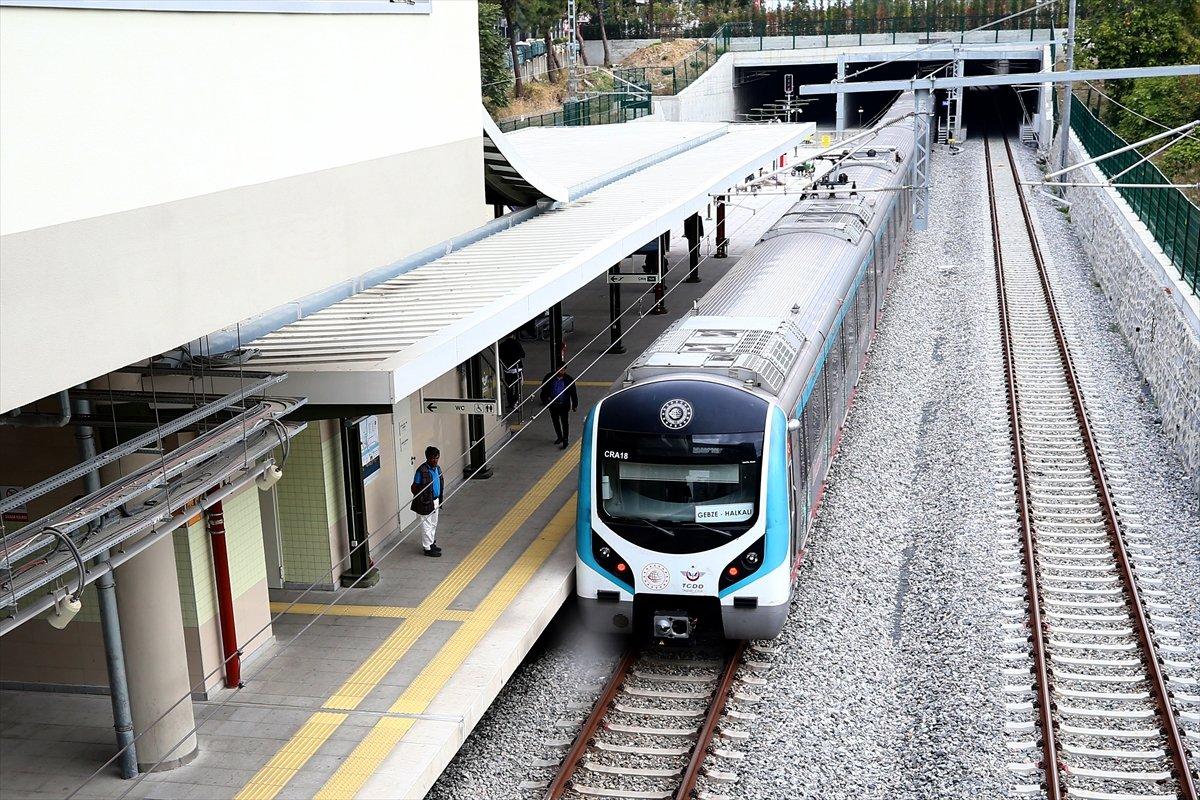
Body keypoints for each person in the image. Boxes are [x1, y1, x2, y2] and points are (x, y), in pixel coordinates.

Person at [410, 446, 443, 557]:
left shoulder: (438, 468)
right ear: (427, 458)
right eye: (433, 458)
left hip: (436, 500)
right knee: (426, 524)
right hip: (426, 501)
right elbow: (414, 487)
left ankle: (431, 542)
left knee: (433, 523)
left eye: (437, 458)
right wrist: (422, 497)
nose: (435, 460)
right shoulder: (421, 470)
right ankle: (427, 548)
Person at [540, 366, 578, 449]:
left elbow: (573, 392)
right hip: (553, 404)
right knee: (555, 421)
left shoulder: (569, 379)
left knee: (564, 422)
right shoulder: (550, 377)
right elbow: (544, 388)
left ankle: (565, 439)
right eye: (559, 369)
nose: (561, 371)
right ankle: (559, 437)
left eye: (563, 370)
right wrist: (545, 400)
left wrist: (575, 404)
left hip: (563, 404)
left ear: (565, 370)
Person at [498, 333, 526, 411]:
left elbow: (499, 356)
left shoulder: (502, 345)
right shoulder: (516, 343)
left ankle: (510, 403)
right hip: (517, 368)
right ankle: (515, 403)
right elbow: (523, 354)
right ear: (513, 336)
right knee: (518, 387)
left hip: (507, 369)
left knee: (509, 387)